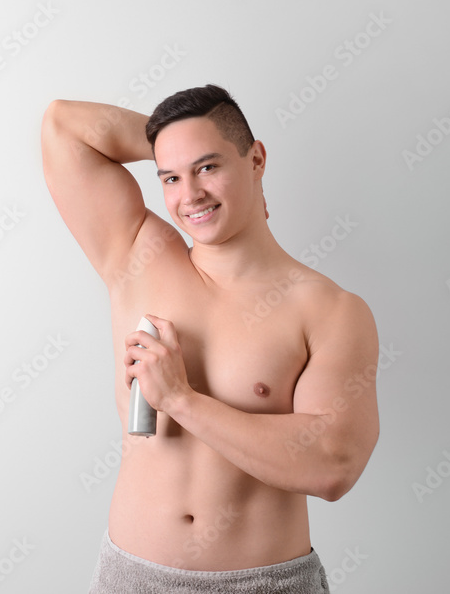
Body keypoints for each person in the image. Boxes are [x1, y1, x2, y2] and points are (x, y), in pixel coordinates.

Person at [40, 84, 379, 593]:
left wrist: (180, 399)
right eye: (171, 177)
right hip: (132, 576)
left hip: (264, 583)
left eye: (208, 167)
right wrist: (176, 143)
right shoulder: (137, 255)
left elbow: (333, 464)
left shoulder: (330, 310)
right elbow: (62, 126)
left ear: (256, 158)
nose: (190, 195)